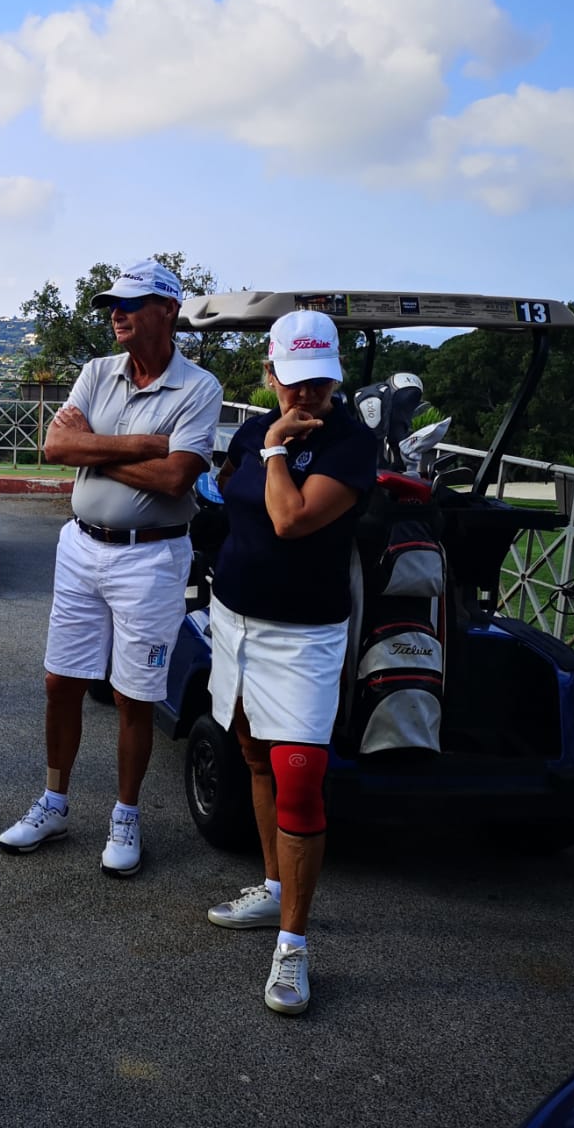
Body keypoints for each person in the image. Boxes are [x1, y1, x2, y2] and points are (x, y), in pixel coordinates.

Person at [0, 258, 221, 875]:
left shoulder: (199, 387)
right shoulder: (98, 371)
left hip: (150, 556)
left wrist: (94, 449)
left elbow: (177, 478)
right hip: (81, 547)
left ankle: (126, 815)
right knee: (60, 682)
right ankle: (54, 802)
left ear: (168, 310)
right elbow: (56, 445)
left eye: (130, 303)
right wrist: (147, 444)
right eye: (112, 305)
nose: (116, 314)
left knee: (133, 695)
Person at [203, 309, 376, 1016]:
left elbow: (291, 518)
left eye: (319, 381)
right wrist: (259, 449)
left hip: (303, 636)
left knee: (299, 778)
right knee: (251, 751)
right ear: (271, 372)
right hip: (235, 619)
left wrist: (275, 449)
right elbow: (230, 488)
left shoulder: (350, 443)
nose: (306, 394)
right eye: (293, 379)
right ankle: (275, 890)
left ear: (336, 376)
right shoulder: (252, 431)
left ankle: (294, 944)